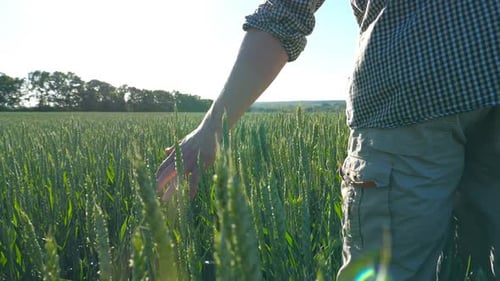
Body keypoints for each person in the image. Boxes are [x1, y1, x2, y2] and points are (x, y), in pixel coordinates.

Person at [156, 1, 500, 280]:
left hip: (405, 99)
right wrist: (212, 128)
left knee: (393, 272)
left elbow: (286, 11)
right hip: (409, 106)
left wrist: (213, 128)